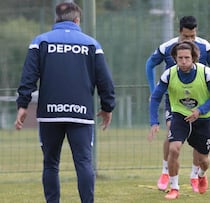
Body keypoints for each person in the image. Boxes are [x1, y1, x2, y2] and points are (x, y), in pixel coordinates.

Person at [14, 2, 115, 203]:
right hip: (81, 113)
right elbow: (105, 80)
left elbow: (28, 78)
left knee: (50, 164)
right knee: (84, 163)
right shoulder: (91, 44)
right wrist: (107, 107)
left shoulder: (40, 42)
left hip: (50, 113)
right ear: (77, 20)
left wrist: (23, 105)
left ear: (56, 19)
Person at [145, 15, 210, 192]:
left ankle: (196, 174)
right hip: (175, 98)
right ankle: (166, 172)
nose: (190, 40)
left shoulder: (205, 46)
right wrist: (153, 89)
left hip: (200, 101)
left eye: (193, 36)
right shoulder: (167, 47)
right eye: (186, 37)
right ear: (180, 33)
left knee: (199, 147)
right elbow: (149, 64)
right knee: (173, 134)